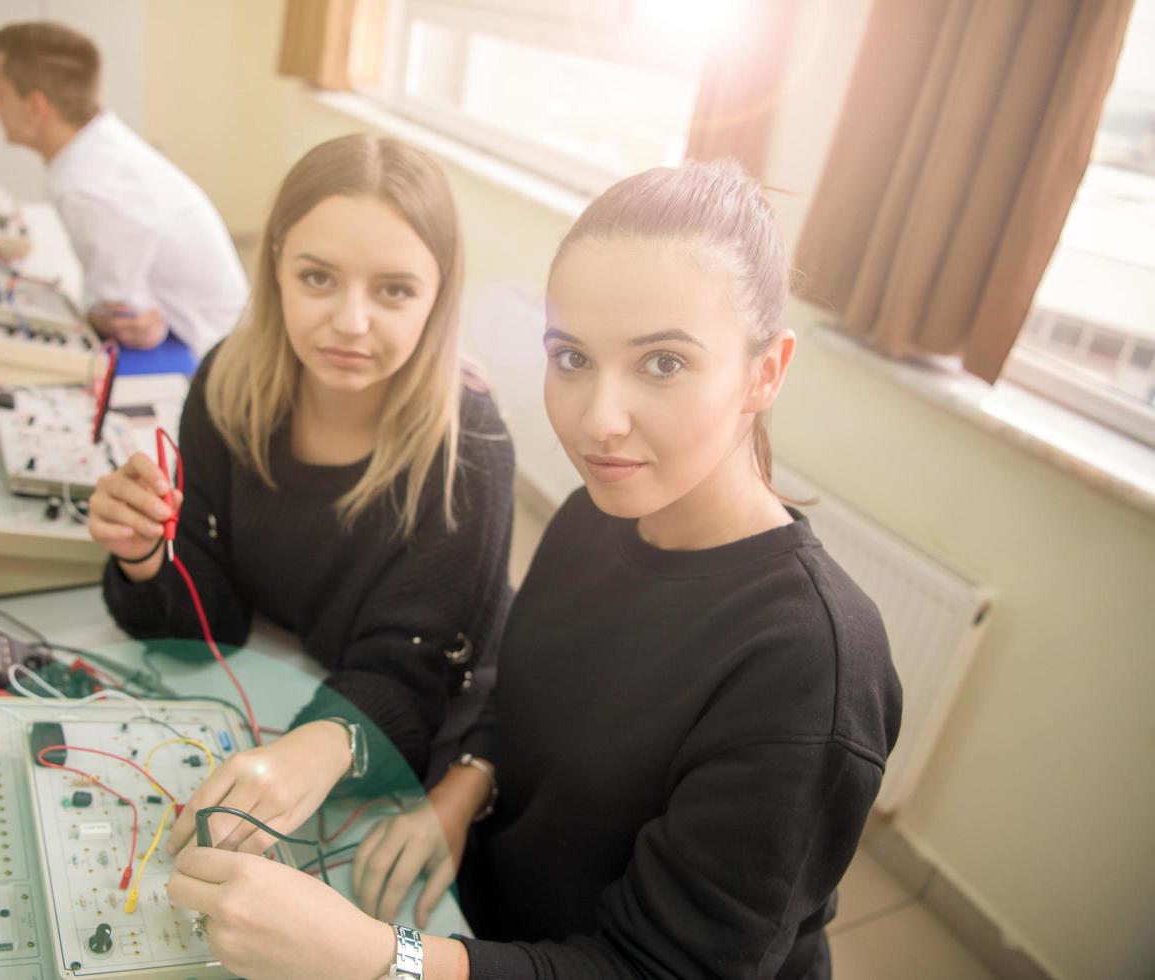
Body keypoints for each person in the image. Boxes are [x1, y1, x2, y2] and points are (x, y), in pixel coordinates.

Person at [165, 160, 903, 980]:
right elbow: (514, 691)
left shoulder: (813, 665)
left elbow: (655, 970)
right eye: (572, 357)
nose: (599, 419)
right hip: (481, 924)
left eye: (663, 363)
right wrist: (464, 790)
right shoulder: (599, 515)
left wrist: (382, 961)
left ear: (766, 371)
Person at [88, 134, 516, 858]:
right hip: (294, 680)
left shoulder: (468, 449)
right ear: (277, 265)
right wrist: (148, 560)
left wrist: (318, 747)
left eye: (394, 290)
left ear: (439, 294)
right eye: (318, 278)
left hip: (436, 735)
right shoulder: (229, 384)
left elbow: (414, 677)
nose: (351, 322)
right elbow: (209, 622)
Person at [0, 21, 248, 369]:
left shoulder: (87, 188)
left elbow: (124, 321)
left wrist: (95, 314)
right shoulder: (96, 143)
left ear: (36, 105)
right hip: (215, 322)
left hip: (206, 350)